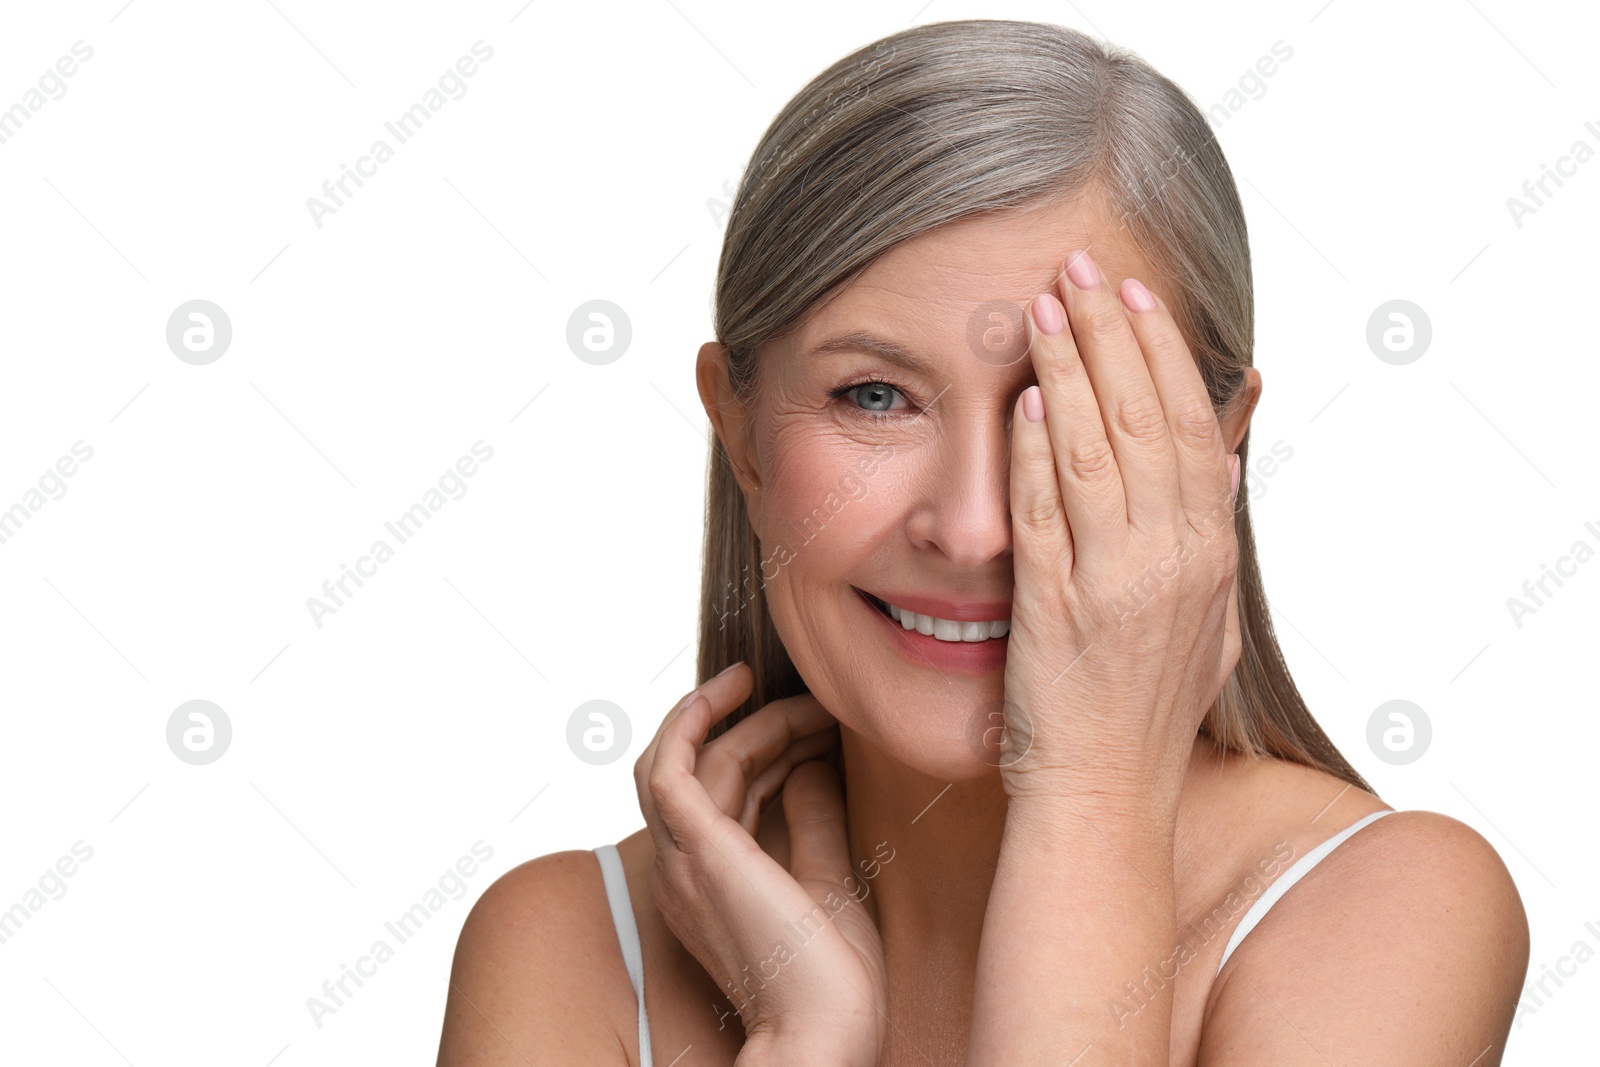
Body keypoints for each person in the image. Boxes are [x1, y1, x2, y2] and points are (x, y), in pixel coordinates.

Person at [436, 19, 1529, 1065]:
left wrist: (1091, 786)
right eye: (874, 395)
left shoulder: (1389, 905)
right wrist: (804, 1042)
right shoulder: (564, 944)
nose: (968, 530)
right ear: (741, 432)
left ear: (1215, 451)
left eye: (1061, 405)